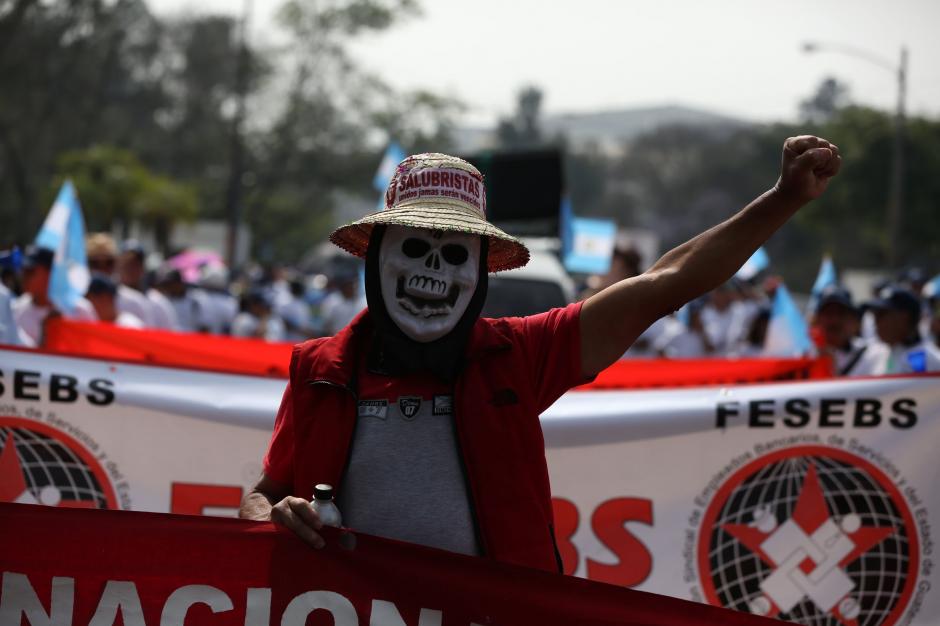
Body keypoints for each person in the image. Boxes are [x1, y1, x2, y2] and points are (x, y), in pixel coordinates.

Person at [240, 137, 842, 572]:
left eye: (454, 255)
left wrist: (784, 198)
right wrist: (273, 516)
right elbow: (260, 495)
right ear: (376, 260)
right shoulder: (321, 369)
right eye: (415, 247)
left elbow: (666, 282)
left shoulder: (519, 354)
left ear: (479, 271)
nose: (432, 270)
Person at [12, 245, 97, 346]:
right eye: (22, 270)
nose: (23, 276)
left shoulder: (81, 310)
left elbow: (92, 349)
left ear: (51, 273)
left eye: (30, 271)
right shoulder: (15, 309)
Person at [810, 284, 885, 376]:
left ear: (853, 319)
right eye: (828, 313)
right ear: (816, 320)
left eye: (841, 313)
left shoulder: (874, 354)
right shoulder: (804, 356)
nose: (835, 320)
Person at [866, 285, 940, 374]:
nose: (875, 321)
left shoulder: (922, 360)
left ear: (904, 317)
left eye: (881, 314)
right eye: (875, 314)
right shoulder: (881, 352)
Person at [87, 233, 155, 327]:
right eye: (94, 263)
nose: (102, 268)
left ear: (116, 263)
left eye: (108, 262)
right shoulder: (75, 302)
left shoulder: (135, 302)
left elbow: (146, 338)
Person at [118, 239, 179, 330]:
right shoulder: (108, 300)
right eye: (126, 263)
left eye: (135, 264)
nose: (130, 269)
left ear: (143, 267)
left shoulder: (158, 302)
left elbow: (170, 335)